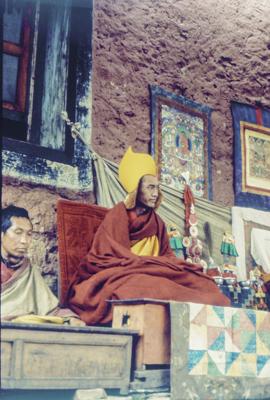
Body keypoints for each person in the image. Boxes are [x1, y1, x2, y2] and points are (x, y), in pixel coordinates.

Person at [67, 147, 230, 325]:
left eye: (157, 188)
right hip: (123, 273)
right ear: (137, 189)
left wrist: (166, 265)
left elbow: (167, 255)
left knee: (205, 284)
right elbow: (107, 258)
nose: (155, 193)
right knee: (152, 287)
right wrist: (146, 265)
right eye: (150, 187)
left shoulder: (157, 221)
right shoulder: (117, 215)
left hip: (153, 270)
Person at [1, 205, 85, 325]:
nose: (24, 241)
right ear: (2, 235)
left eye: (29, 234)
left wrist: (70, 318)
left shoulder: (28, 269)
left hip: (24, 328)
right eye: (18, 232)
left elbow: (50, 309)